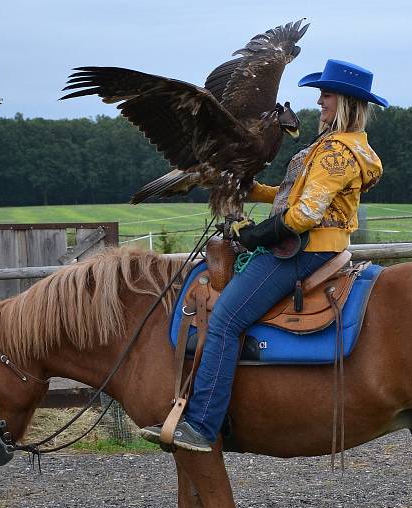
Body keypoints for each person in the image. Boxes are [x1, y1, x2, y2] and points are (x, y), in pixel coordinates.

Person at [140, 59, 387, 451]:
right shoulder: (341, 147)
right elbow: (296, 196)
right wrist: (252, 189)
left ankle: (202, 426)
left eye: (327, 95)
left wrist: (255, 235)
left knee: (223, 321)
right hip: (319, 247)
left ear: (347, 102)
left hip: (305, 253)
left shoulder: (336, 152)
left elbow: (304, 214)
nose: (319, 101)